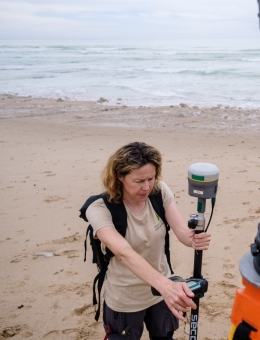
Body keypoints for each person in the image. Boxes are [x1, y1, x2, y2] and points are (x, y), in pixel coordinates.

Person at [85, 142, 211, 340]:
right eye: (138, 181)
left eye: (151, 178)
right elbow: (124, 253)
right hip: (126, 298)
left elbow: (182, 233)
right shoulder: (99, 208)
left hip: (162, 293)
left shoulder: (159, 192)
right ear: (119, 176)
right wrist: (165, 286)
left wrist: (195, 239)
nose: (147, 187)